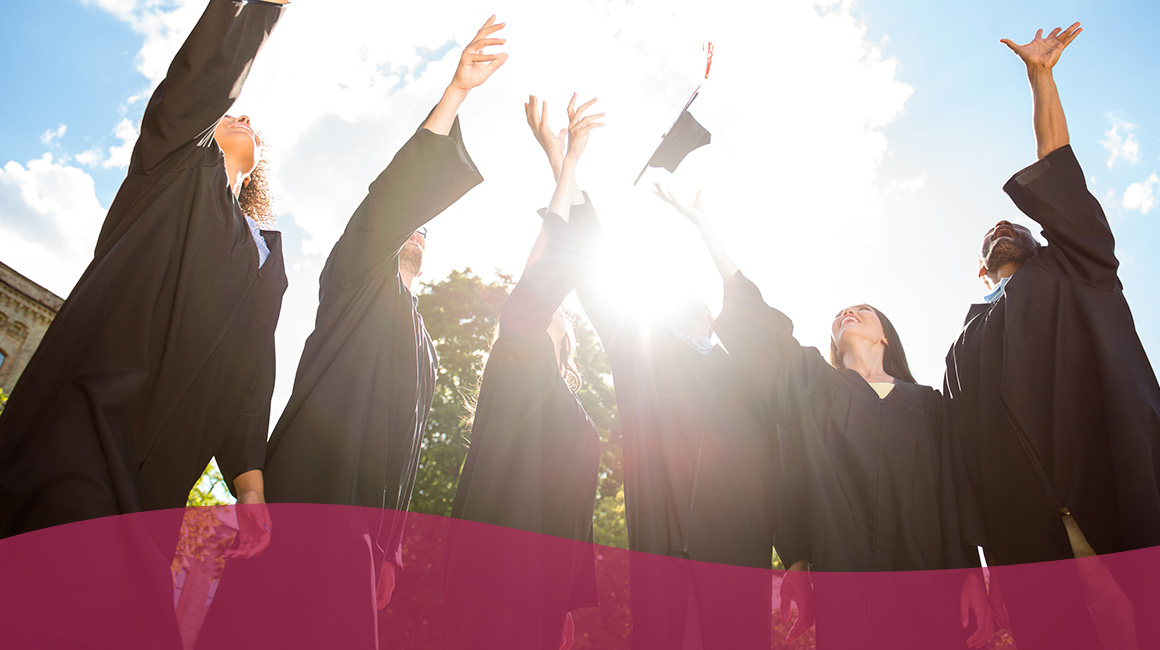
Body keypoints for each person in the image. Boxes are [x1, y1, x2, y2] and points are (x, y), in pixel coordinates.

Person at [194, 16, 507, 650]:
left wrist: (389, 548)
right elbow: (386, 206)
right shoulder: (357, 278)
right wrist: (455, 95)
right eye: (410, 224)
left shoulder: (424, 345)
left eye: (427, 230)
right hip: (309, 499)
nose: (418, 230)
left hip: (365, 537)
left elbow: (407, 451)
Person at [654, 187, 995, 649]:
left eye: (863, 310)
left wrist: (970, 575)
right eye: (841, 314)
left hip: (926, 579)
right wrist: (796, 559)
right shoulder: (815, 385)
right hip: (845, 578)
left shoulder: (929, 404)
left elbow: (952, 494)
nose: (848, 312)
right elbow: (765, 341)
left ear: (886, 338)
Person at [0, 0, 287, 549]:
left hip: (160, 474)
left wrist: (249, 485)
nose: (244, 117)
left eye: (254, 123)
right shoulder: (170, 171)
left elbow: (251, 369)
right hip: (87, 415)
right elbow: (198, 83)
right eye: (233, 110)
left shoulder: (263, 257)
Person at [944, 22, 1160, 650]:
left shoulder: (1073, 266)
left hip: (1115, 491)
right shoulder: (962, 349)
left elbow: (1057, 168)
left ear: (1041, 235)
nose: (999, 230)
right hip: (1027, 535)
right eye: (988, 237)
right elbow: (960, 462)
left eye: (1012, 224)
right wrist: (973, 569)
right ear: (981, 267)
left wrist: (1042, 79)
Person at [574, 191, 774, 648]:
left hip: (736, 545)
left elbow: (780, 458)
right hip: (664, 536)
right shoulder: (642, 359)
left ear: (712, 317)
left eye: (693, 306)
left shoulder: (745, 377)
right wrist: (574, 194)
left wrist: (798, 550)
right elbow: (598, 288)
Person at [443, 94, 603, 650]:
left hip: (544, 592)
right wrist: (562, 158)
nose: (557, 305)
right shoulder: (516, 353)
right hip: (492, 575)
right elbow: (555, 257)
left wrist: (567, 604)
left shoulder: (577, 414)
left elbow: (577, 518)